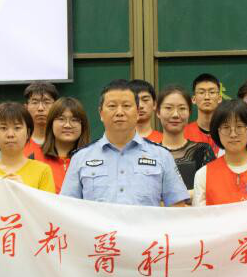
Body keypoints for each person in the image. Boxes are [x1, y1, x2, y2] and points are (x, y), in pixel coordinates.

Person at [61, 79, 189, 207]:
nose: (119, 112)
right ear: (101, 113)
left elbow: (177, 207)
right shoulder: (80, 158)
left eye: (126, 106)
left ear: (137, 112)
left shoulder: (162, 156)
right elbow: (67, 208)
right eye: (112, 106)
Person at [0, 102, 56, 192]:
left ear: (28, 133)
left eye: (17, 128)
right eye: (3, 128)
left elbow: (47, 202)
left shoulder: (43, 171)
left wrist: (23, 190)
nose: (10, 134)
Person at [154, 85, 216, 193]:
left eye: (182, 108)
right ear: (158, 112)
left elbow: (212, 191)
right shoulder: (149, 154)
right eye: (168, 108)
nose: (175, 115)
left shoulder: (203, 151)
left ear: (189, 113)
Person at [39, 97, 91, 193]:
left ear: (83, 126)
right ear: (51, 124)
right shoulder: (34, 157)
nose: (67, 125)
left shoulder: (92, 160)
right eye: (61, 119)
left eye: (74, 120)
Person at [184, 73, 223, 155]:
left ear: (219, 98)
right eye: (201, 92)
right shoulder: (184, 133)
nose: (207, 97)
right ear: (194, 99)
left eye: (212, 92)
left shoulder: (227, 132)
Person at [23, 81, 59, 161]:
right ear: (26, 107)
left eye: (47, 102)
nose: (40, 108)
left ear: (56, 106)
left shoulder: (64, 142)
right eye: (35, 102)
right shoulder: (18, 143)